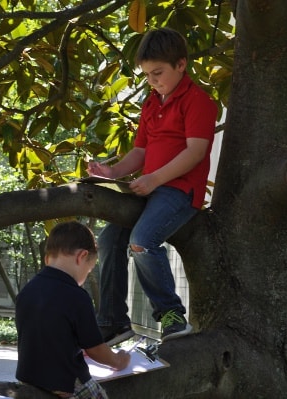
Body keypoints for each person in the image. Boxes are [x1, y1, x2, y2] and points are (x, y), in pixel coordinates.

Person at [87, 28, 218, 345]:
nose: (152, 80)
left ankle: (171, 315)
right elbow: (141, 152)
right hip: (149, 189)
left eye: (158, 73)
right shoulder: (150, 103)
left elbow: (196, 152)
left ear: (181, 65)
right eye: (146, 75)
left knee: (142, 241)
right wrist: (112, 171)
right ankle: (114, 321)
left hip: (178, 193)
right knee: (109, 239)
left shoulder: (199, 101)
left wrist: (154, 178)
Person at [15, 221, 130, 398]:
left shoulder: (27, 291)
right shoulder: (78, 296)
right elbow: (95, 349)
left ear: (47, 258)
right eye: (89, 269)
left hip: (28, 377)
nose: (86, 275)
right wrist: (118, 360)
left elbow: (46, 333)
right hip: (66, 382)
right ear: (81, 257)